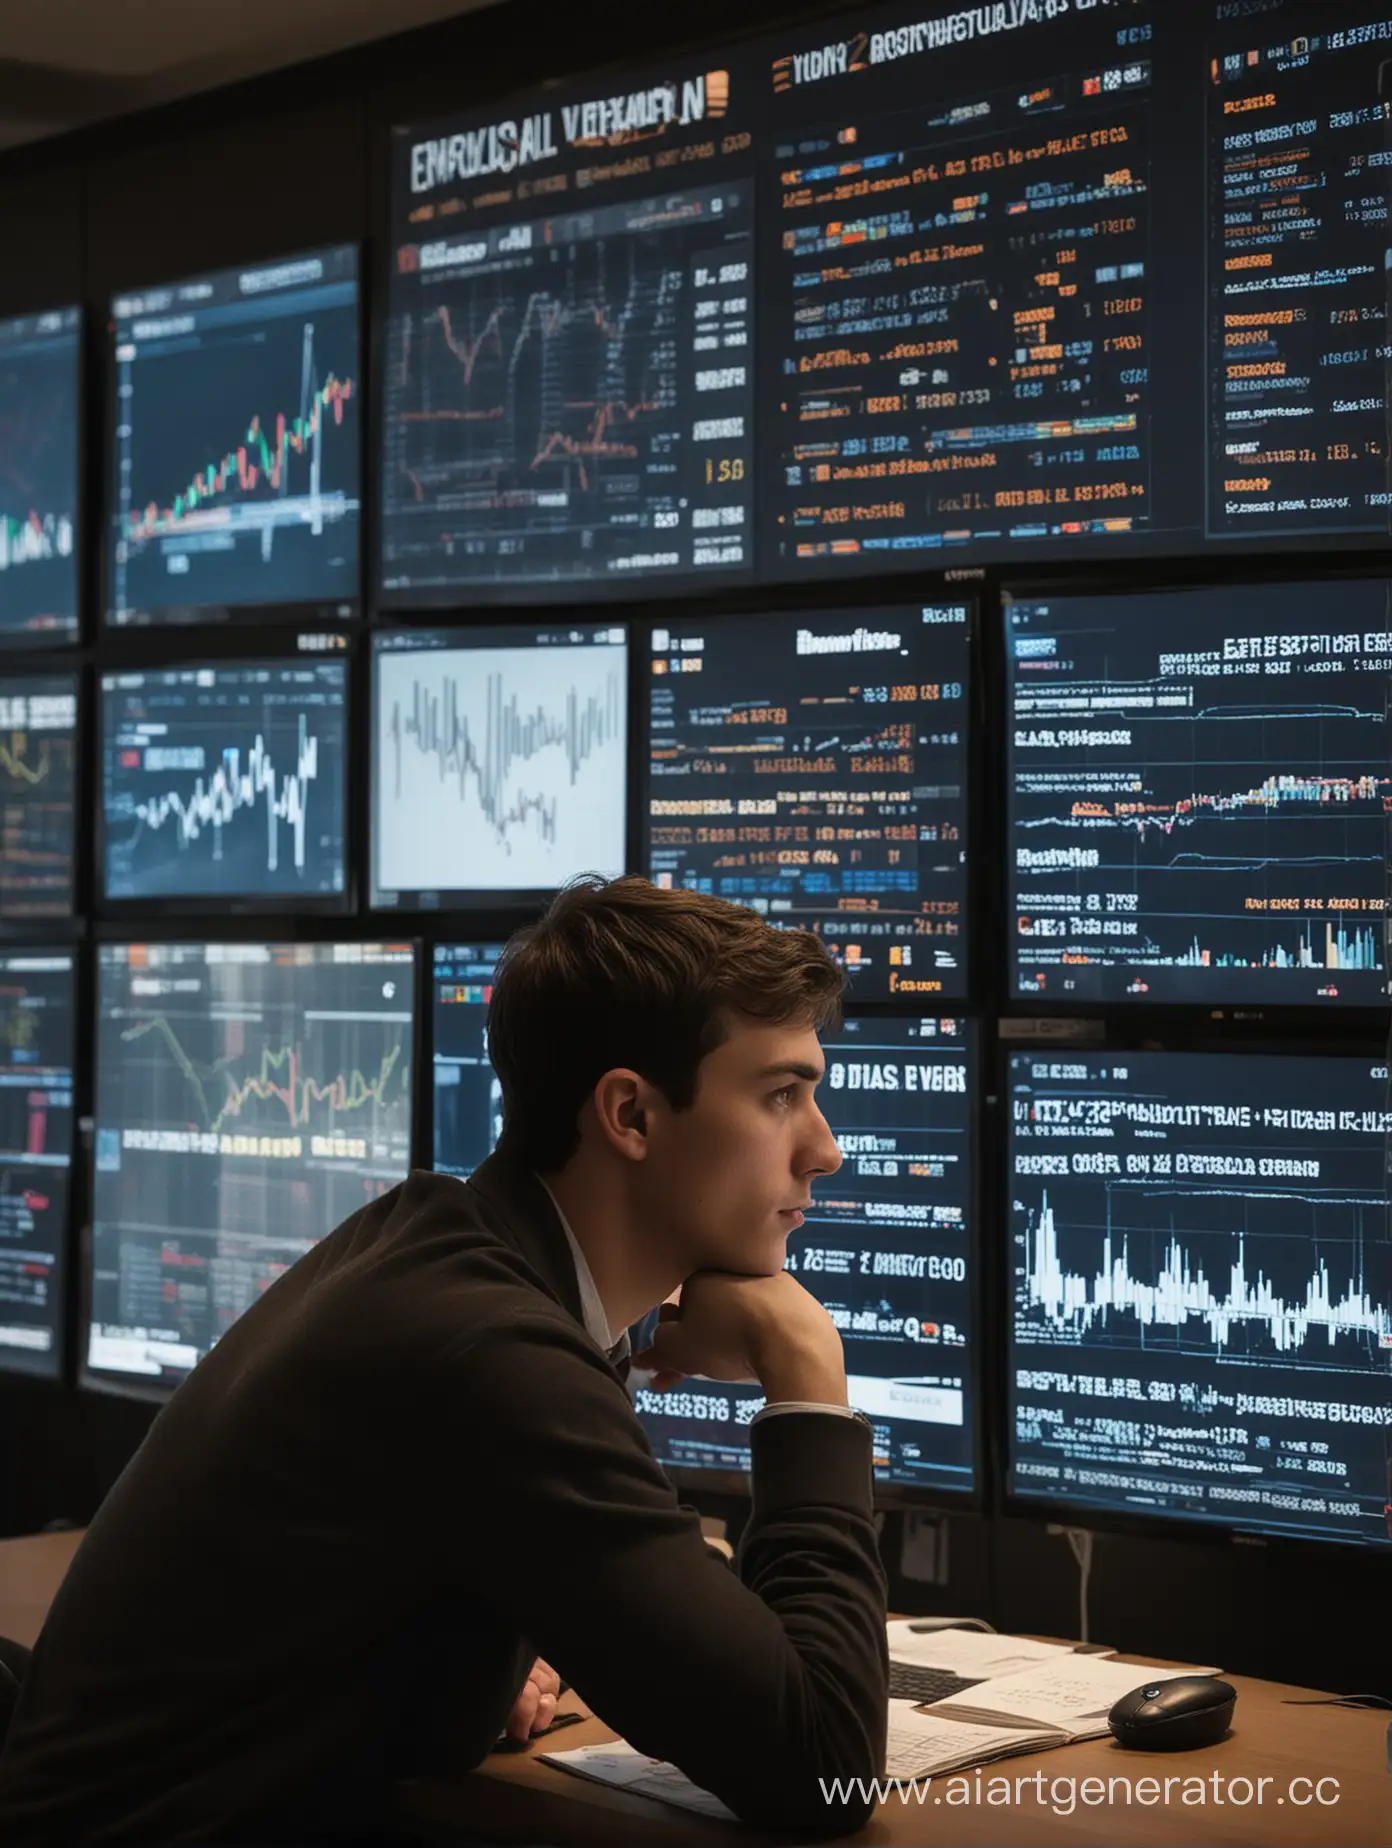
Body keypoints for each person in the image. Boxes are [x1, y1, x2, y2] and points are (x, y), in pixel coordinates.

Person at [0, 876, 888, 1844]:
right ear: (630, 1116)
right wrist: (805, 1367)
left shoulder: (439, 1250)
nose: (825, 1150)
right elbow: (825, 1767)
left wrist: (504, 1639)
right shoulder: (492, 1354)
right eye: (782, 1095)